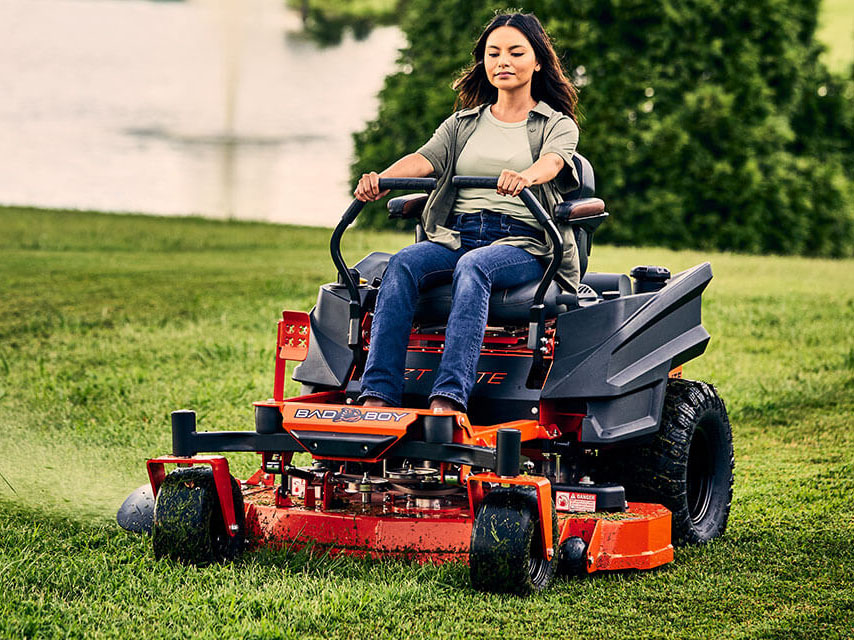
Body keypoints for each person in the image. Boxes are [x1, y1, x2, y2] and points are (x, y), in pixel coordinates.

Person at [354, 11, 580, 413]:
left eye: (515, 53)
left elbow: (554, 161)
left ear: (537, 62)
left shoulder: (556, 124)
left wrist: (525, 177)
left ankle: (449, 397)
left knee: (474, 266)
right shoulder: (462, 124)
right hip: (457, 236)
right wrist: (382, 178)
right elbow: (424, 159)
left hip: (522, 242)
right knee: (402, 263)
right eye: (493, 53)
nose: (503, 61)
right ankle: (378, 394)